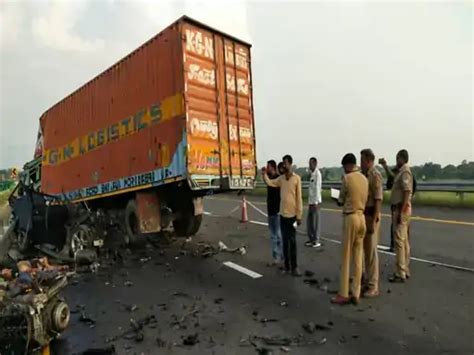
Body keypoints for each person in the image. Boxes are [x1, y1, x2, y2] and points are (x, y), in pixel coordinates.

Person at [331, 153, 368, 305]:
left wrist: (338, 199)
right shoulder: (364, 179)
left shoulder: (347, 178)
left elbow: (341, 199)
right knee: (358, 257)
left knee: (346, 256)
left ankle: (343, 293)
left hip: (351, 217)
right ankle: (356, 292)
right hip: (362, 218)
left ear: (347, 165)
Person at [262, 155, 303, 276]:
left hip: (293, 216)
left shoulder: (296, 179)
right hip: (283, 216)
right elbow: (270, 183)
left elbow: (299, 198)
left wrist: (299, 215)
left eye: (285, 163)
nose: (283, 165)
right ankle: (286, 266)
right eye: (283, 163)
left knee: (292, 242)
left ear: (290, 164)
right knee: (285, 242)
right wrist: (264, 174)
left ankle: (295, 267)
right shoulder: (281, 179)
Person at [380, 150, 413, 283]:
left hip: (401, 208)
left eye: (397, 158)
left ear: (402, 158)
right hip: (401, 208)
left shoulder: (405, 172)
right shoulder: (401, 171)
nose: (396, 161)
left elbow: (406, 191)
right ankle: (405, 269)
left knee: (399, 241)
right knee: (403, 240)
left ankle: (400, 273)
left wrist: (402, 210)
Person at [360, 149, 383, 298]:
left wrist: (374, 219)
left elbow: (378, 199)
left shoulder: (375, 175)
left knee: (371, 253)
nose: (360, 163)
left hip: (371, 214)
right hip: (364, 214)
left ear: (369, 161)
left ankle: (373, 286)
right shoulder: (364, 176)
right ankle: (366, 281)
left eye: (362, 160)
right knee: (364, 251)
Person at [265, 160, 283, 266]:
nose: (267, 168)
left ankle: (278, 256)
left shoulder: (277, 178)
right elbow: (266, 179)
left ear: (272, 167)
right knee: (274, 235)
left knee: (276, 235)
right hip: (270, 210)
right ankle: (278, 256)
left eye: (268, 167)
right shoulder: (269, 177)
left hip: (276, 210)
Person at [305, 157, 322, 248]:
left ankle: (316, 240)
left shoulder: (317, 174)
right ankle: (311, 239)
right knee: (310, 222)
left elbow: (317, 188)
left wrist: (315, 202)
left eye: (311, 164)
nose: (309, 165)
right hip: (311, 201)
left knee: (316, 222)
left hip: (315, 202)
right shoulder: (312, 174)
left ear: (315, 164)